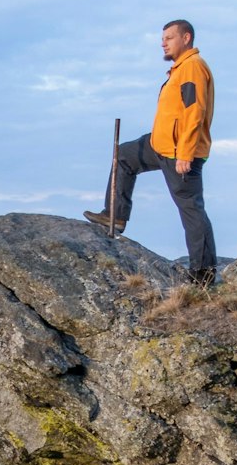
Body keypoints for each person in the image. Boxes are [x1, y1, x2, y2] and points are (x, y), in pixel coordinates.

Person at [86, 19, 216, 285]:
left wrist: (185, 153)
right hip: (161, 145)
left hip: (179, 151)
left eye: (169, 37)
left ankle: (204, 272)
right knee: (123, 155)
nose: (163, 42)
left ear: (186, 38)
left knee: (190, 208)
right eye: (163, 38)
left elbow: (194, 113)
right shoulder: (179, 69)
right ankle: (116, 215)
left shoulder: (192, 68)